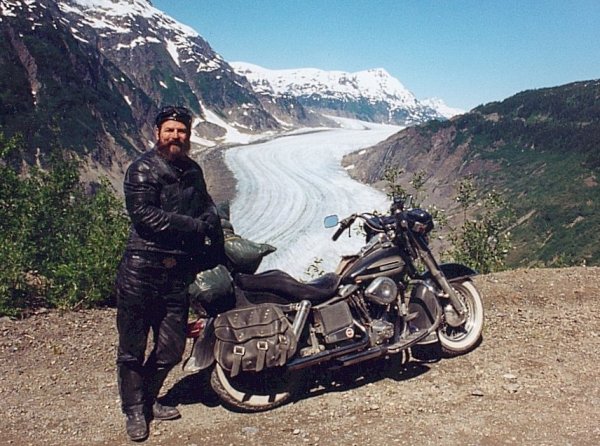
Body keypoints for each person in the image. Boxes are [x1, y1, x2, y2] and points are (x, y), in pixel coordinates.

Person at [114, 105, 224, 441]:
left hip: (176, 272)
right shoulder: (142, 170)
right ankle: (135, 411)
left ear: (188, 136)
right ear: (157, 134)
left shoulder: (192, 170)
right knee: (132, 347)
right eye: (169, 131)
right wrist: (194, 226)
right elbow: (146, 216)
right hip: (141, 270)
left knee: (171, 348)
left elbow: (207, 207)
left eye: (181, 132)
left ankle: (148, 399)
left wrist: (216, 242)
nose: (176, 137)